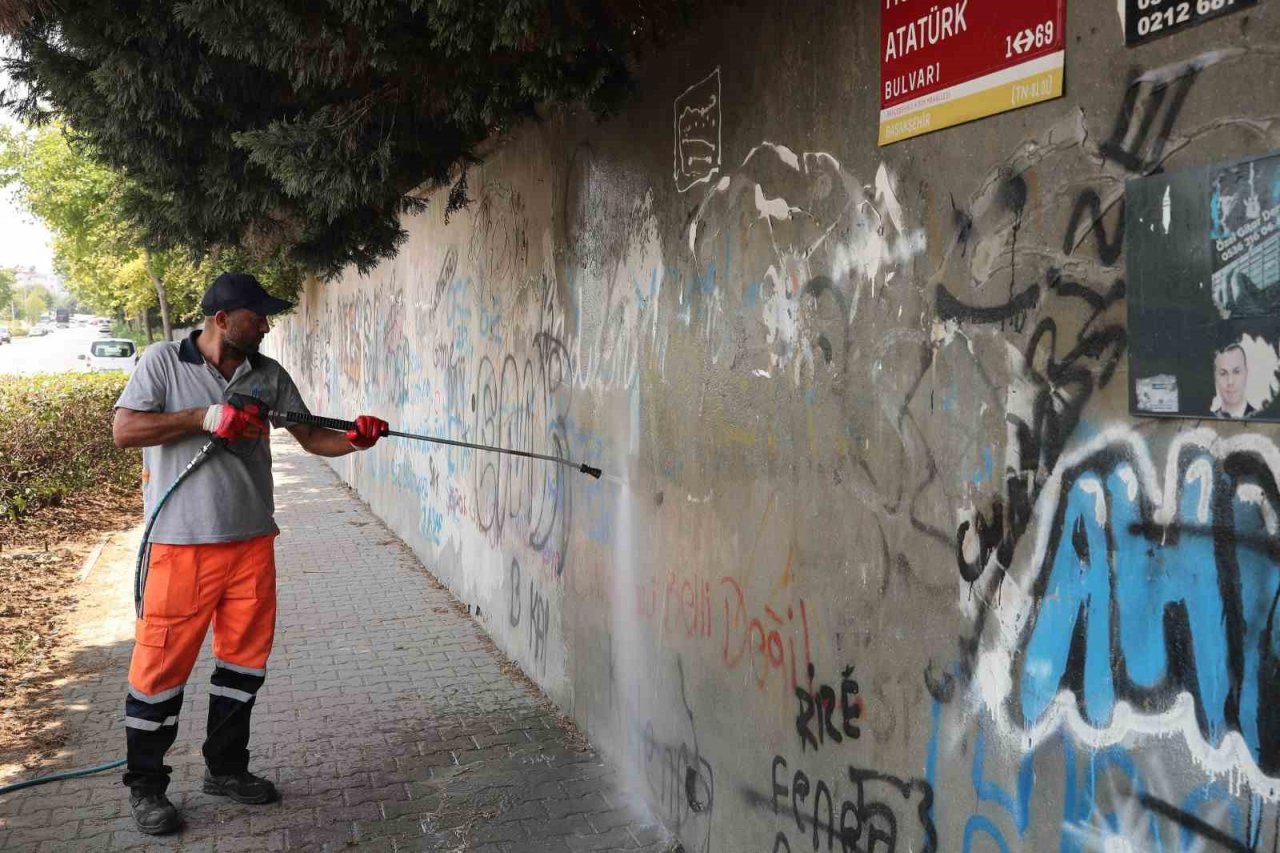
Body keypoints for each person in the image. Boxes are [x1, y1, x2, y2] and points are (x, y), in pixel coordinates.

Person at [112, 272, 389, 835]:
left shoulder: (267, 375)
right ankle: (146, 787)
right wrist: (200, 418)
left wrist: (357, 438)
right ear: (221, 318)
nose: (266, 324)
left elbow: (314, 439)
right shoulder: (164, 363)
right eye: (256, 316)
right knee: (160, 669)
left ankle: (227, 770)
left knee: (242, 666)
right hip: (180, 545)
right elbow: (125, 430)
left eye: (266, 316)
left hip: (251, 545)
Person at [1213, 343, 1256, 419]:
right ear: (1215, 377)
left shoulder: (1263, 419)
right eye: (1223, 373)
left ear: (1246, 374)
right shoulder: (1206, 422)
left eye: (1236, 372)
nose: (1230, 381)